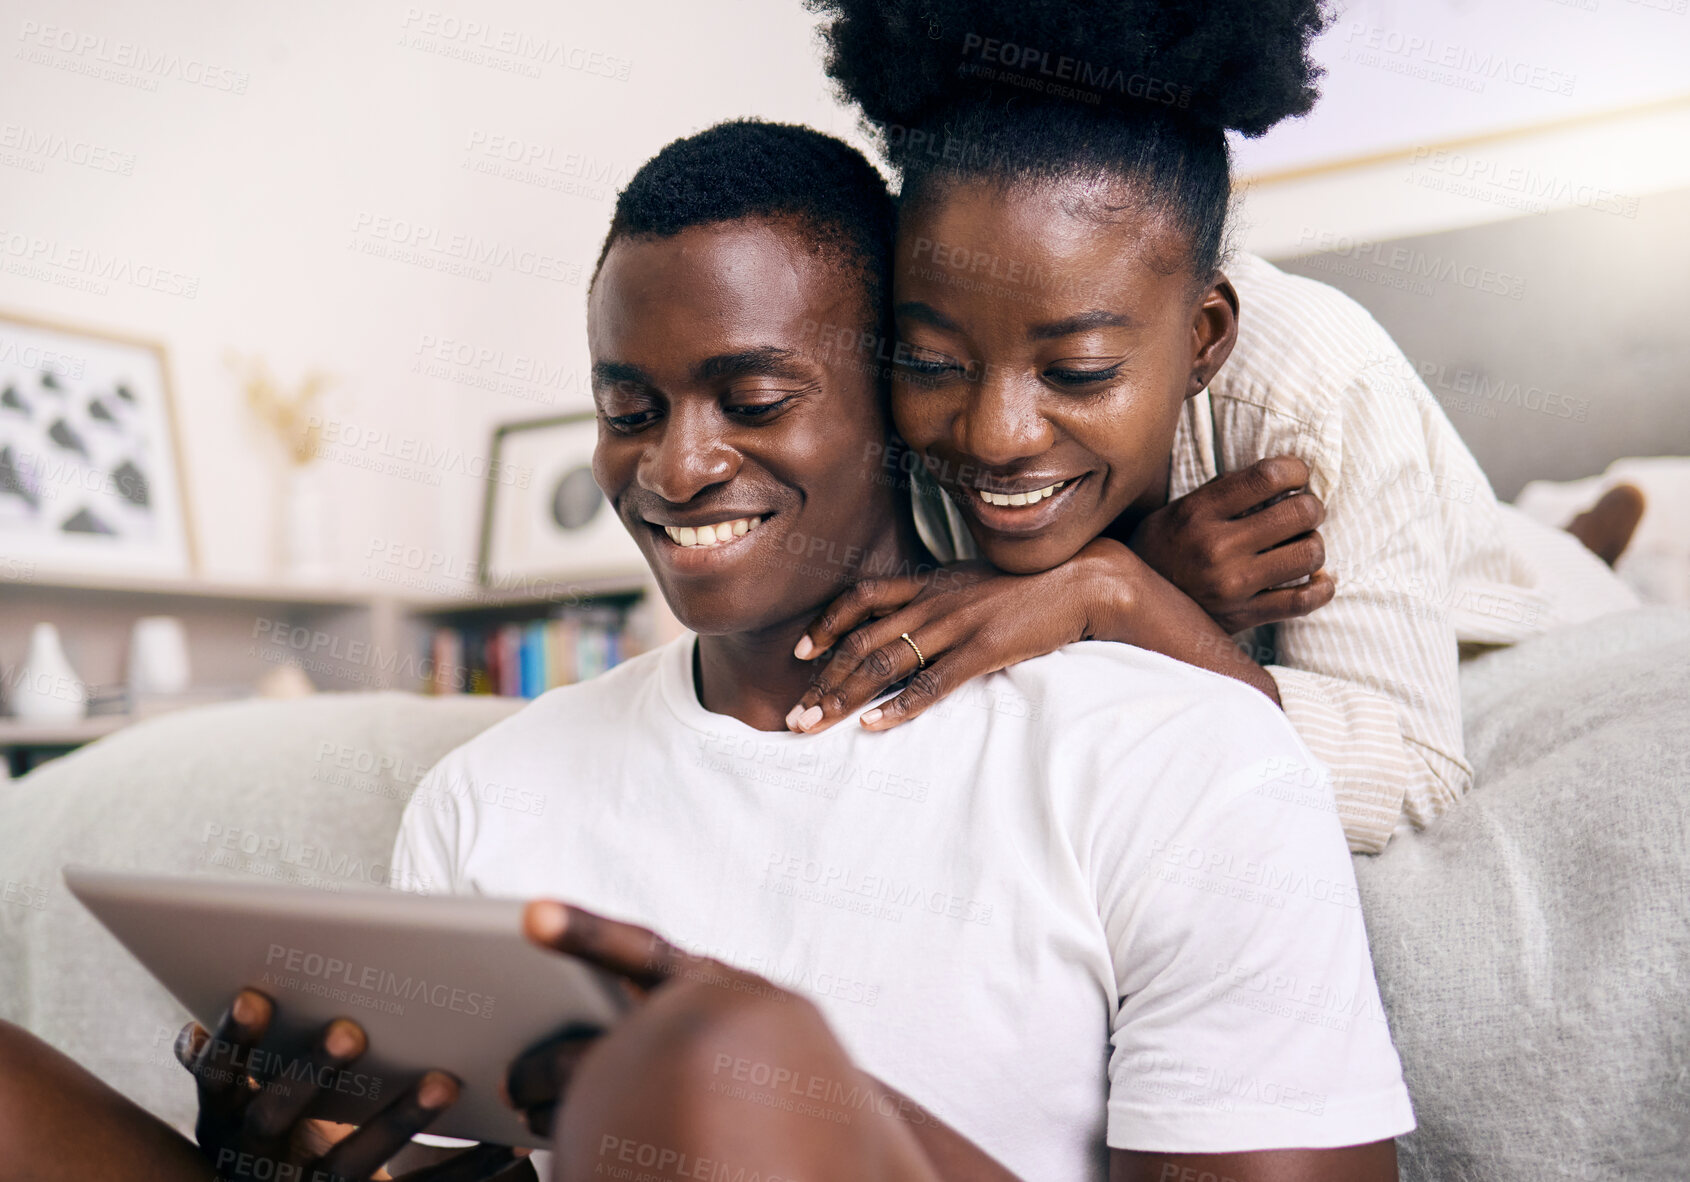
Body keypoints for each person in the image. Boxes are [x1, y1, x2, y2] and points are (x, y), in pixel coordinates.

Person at [0, 120, 1411, 1182]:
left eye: (751, 398)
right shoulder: (492, 798)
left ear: (893, 389)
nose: (674, 467)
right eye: (629, 406)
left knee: (721, 1067)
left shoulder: (1175, 754)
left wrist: (759, 1073)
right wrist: (294, 1148)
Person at [780, 0, 1642, 854]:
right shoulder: (873, 383)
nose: (995, 437)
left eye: (1078, 373)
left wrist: (1114, 591)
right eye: (933, 363)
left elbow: (1413, 783)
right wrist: (1157, 574)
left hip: (1484, 597)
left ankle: (1579, 545)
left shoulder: (1315, 381)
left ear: (1205, 338)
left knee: (1529, 570)